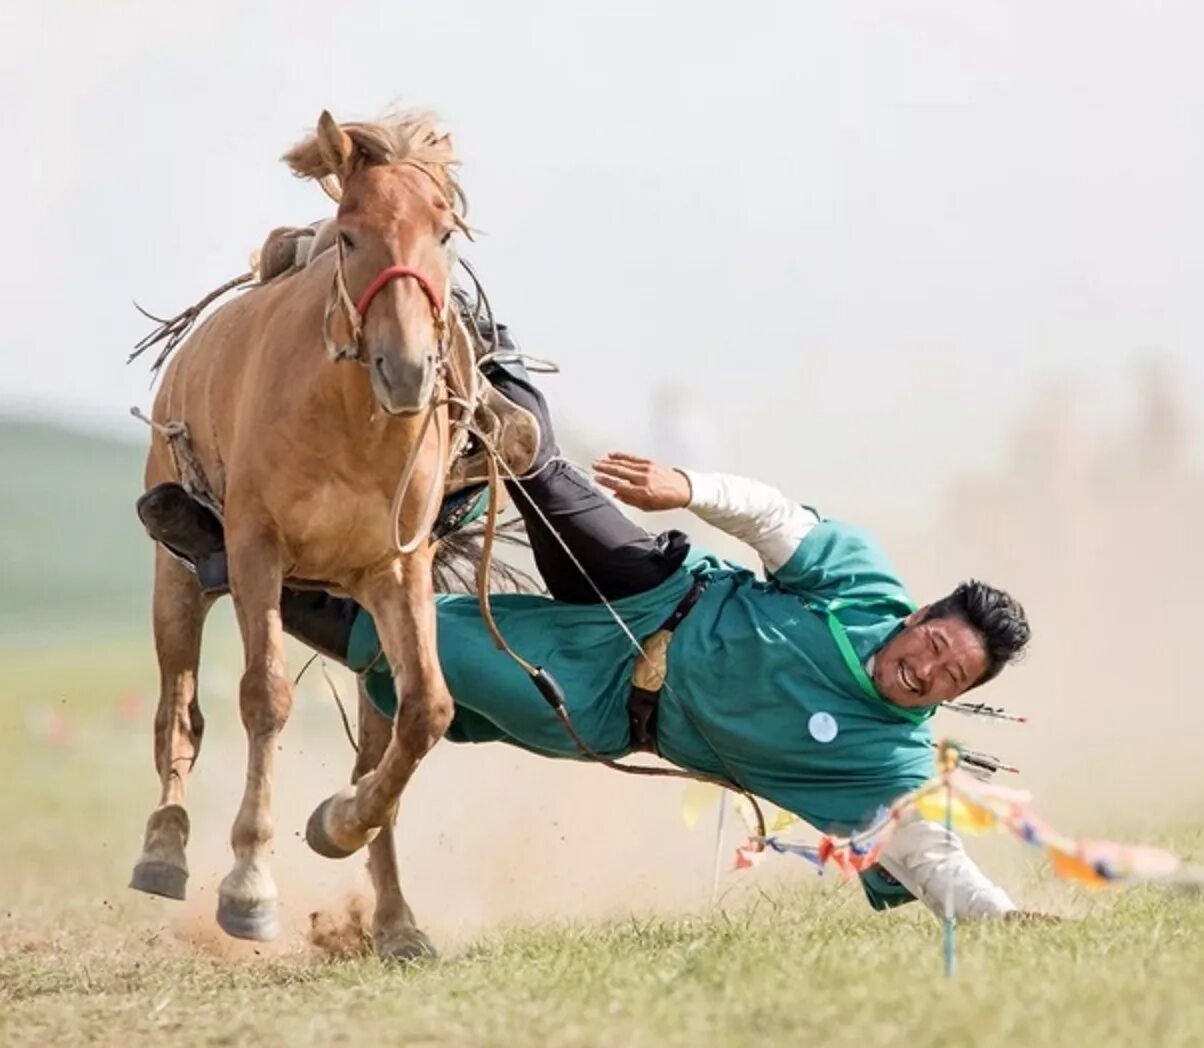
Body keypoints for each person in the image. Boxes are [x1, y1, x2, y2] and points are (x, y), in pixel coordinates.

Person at [139, 323, 1031, 920]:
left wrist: (1002, 917)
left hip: (607, 703)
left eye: (952, 679)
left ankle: (222, 551)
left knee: (420, 652)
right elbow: (775, 523)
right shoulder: (864, 588)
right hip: (654, 588)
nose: (928, 672)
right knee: (536, 457)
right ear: (920, 617)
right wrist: (692, 490)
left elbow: (931, 857)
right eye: (936, 648)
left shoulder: (894, 761)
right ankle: (477, 347)